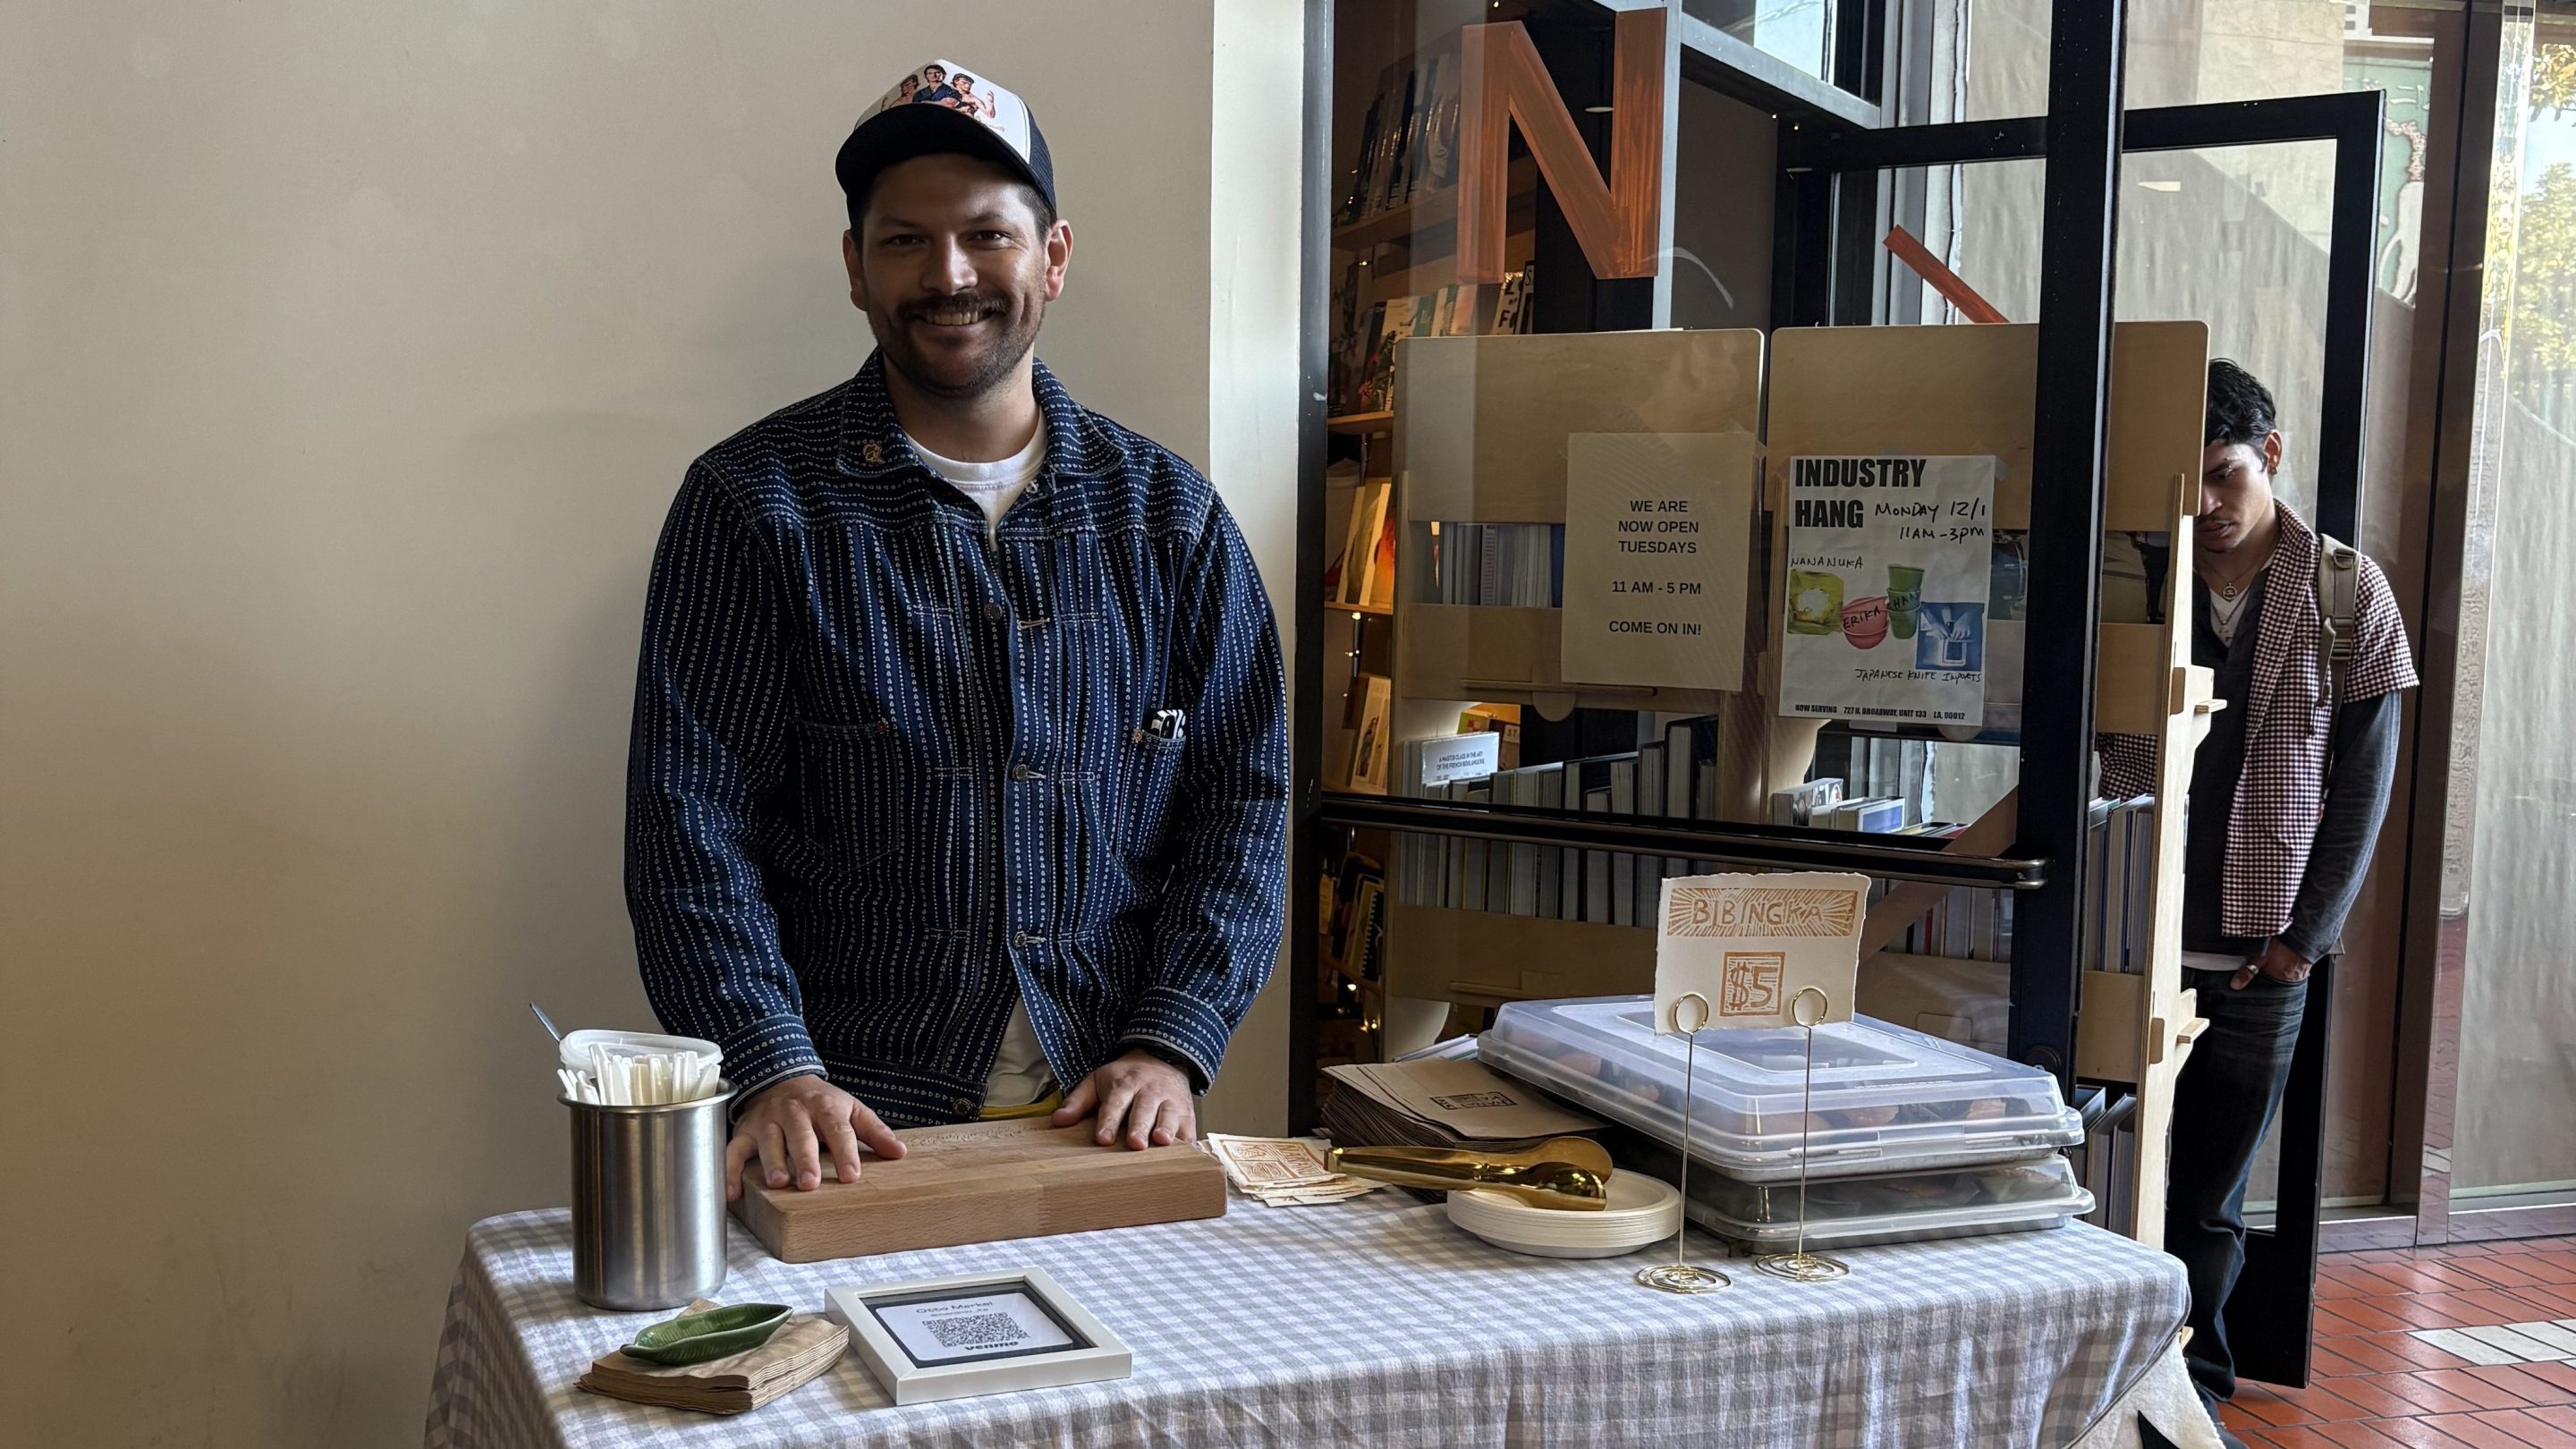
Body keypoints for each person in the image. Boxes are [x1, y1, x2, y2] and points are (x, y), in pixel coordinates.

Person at [625, 59, 1289, 1203]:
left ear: (1054, 258)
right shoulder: (752, 507)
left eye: (988, 235)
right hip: (838, 1129)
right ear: (854, 269)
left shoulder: (1171, 519)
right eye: (902, 241)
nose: (948, 275)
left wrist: (1176, 1037)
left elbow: (1247, 800)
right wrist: (771, 1066)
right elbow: (688, 825)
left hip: (1113, 1124)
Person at [2100, 360, 2417, 1445]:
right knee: (2110, 1159)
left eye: (2224, 477)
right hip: (2131, 921)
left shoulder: (2346, 591)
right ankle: (2113, 1375)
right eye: (2184, 485)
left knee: (2209, 1188)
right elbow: (2102, 746)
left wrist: (2299, 947)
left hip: (2260, 938)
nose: (2205, 507)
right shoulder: (2144, 573)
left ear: (2269, 458)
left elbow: (2364, 792)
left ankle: (2202, 1383)